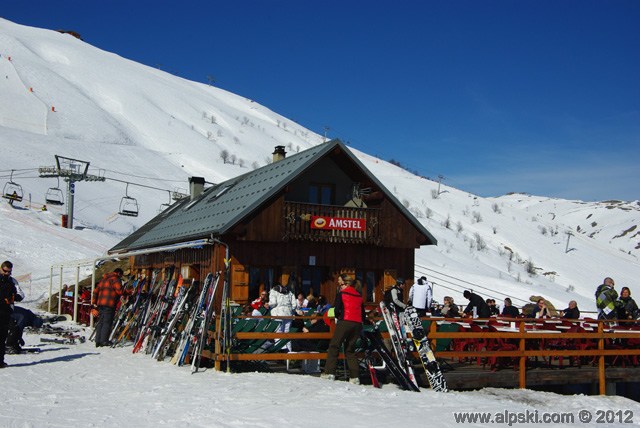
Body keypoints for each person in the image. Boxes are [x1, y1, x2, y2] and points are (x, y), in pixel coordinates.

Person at [322, 274, 365, 384]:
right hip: (357, 324)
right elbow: (363, 314)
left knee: (334, 346)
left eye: (341, 284)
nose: (339, 286)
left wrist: (338, 317)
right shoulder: (359, 296)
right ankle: (355, 377)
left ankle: (329, 372)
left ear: (346, 284)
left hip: (345, 321)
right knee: (350, 349)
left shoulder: (342, 294)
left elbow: (336, 310)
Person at [92, 268, 124, 347]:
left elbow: (95, 291)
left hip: (100, 304)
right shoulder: (115, 279)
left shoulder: (103, 279)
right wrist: (129, 292)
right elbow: (119, 291)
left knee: (101, 322)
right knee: (107, 322)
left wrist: (94, 303)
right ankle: (104, 341)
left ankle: (98, 340)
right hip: (109, 304)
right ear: (119, 273)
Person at [1, 260, 21, 367]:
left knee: (2, 336)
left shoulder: (12, 281)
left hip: (6, 312)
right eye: (5, 271)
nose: (7, 274)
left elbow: (21, 294)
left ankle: (0, 361)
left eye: (9, 272)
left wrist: (15, 297)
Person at [268, 282, 296, 351]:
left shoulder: (273, 291)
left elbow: (273, 303)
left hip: (278, 314)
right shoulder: (289, 292)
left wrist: (267, 304)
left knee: (278, 332)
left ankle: (280, 351)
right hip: (288, 314)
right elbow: (294, 305)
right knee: (287, 333)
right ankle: (289, 351)